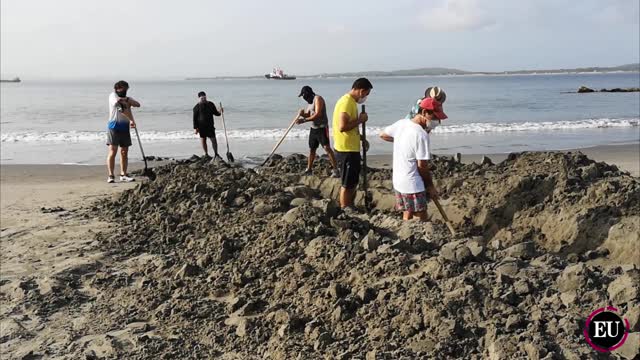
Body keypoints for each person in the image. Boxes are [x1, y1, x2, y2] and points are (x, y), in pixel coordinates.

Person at [380, 97, 447, 221]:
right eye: (435, 117)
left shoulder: (402, 124)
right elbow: (422, 166)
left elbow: (382, 134)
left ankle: (406, 236)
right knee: (421, 220)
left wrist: (402, 141)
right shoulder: (421, 135)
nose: (437, 121)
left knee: (408, 212)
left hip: (399, 182)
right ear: (423, 113)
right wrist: (430, 187)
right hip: (413, 185)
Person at [332, 78, 373, 210]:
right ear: (361, 91)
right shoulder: (346, 102)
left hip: (350, 147)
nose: (365, 97)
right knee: (347, 183)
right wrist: (360, 120)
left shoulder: (350, 102)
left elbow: (350, 127)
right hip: (346, 150)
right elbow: (343, 126)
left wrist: (361, 138)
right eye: (366, 94)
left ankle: (349, 205)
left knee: (352, 181)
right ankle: (345, 207)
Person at [296, 85, 339, 177]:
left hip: (322, 128)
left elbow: (318, 114)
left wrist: (303, 120)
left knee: (327, 148)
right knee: (312, 149)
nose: (304, 98)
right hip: (313, 129)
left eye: (304, 96)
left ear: (308, 94)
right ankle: (309, 169)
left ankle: (336, 170)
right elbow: (308, 114)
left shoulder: (318, 99)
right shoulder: (310, 103)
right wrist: (302, 114)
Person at [106, 80, 140, 183]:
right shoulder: (113, 96)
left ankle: (123, 174)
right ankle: (111, 176)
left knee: (124, 152)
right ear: (117, 89)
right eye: (123, 88)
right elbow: (120, 108)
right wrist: (131, 120)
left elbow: (137, 104)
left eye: (126, 89)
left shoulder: (127, 98)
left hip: (125, 127)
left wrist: (129, 101)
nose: (125, 90)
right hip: (114, 126)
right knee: (113, 151)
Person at [193, 91, 223, 159]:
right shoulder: (196, 107)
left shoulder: (210, 104)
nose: (203, 99)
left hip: (210, 126)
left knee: (214, 140)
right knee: (203, 140)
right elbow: (194, 119)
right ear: (199, 98)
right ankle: (206, 154)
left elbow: (216, 113)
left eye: (204, 97)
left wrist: (220, 111)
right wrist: (196, 128)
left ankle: (216, 154)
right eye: (202, 98)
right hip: (201, 127)